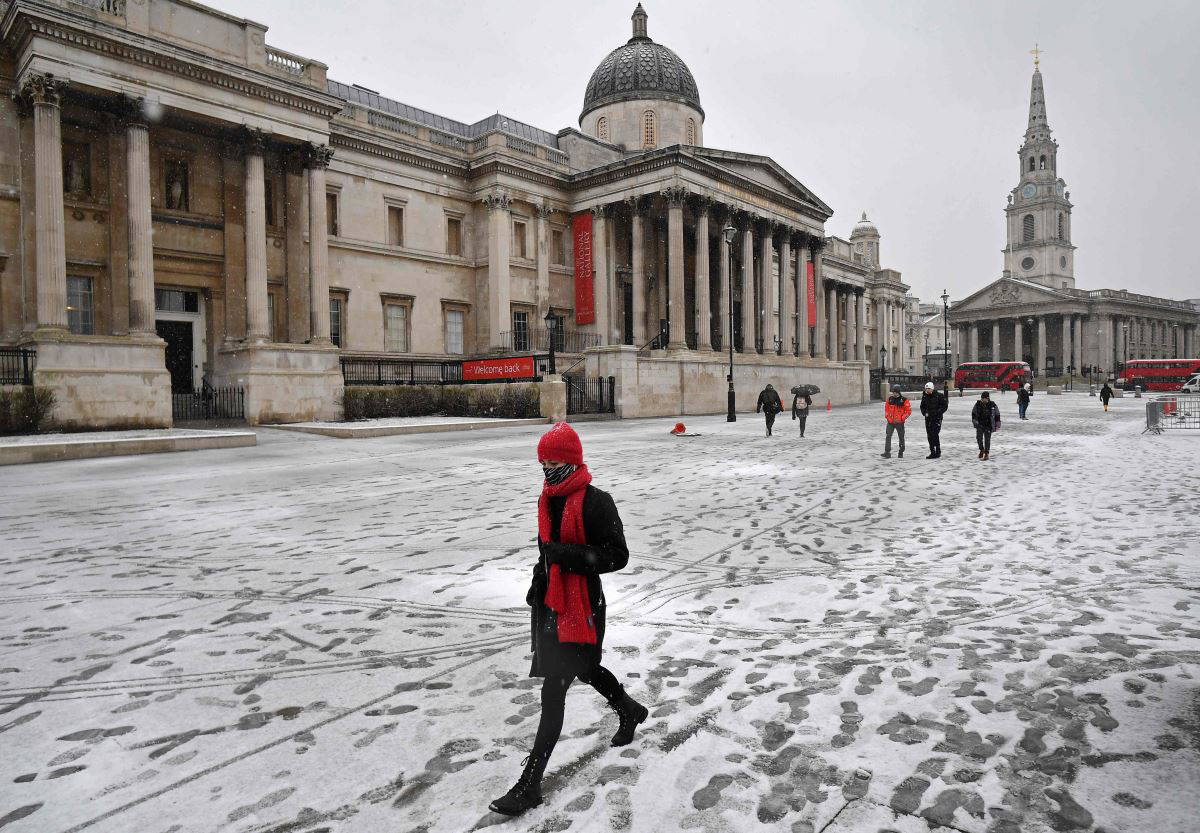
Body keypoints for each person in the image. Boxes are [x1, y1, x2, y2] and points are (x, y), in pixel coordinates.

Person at [490, 423, 646, 816]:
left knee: (554, 690)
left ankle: (529, 786)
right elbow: (546, 553)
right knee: (587, 669)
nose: (547, 466)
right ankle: (629, 709)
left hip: (584, 607)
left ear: (572, 459)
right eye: (543, 460)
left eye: (554, 459)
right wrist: (538, 580)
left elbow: (617, 555)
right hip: (553, 603)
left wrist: (567, 556)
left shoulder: (596, 501)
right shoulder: (547, 500)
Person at [919, 381, 948, 459]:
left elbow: (945, 406)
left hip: (937, 418)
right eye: (926, 388)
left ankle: (938, 451)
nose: (927, 390)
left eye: (928, 388)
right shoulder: (924, 396)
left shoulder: (939, 396)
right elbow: (922, 406)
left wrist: (938, 412)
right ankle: (932, 451)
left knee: (935, 434)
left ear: (932, 389)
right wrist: (925, 413)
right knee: (929, 435)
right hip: (928, 418)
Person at [881, 384, 911, 459]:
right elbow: (886, 410)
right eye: (893, 392)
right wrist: (889, 418)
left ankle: (901, 451)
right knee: (888, 436)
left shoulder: (904, 400)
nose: (894, 393)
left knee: (901, 437)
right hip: (890, 422)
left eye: (895, 392)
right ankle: (887, 452)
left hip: (899, 422)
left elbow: (908, 411)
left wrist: (902, 418)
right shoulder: (890, 399)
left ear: (898, 392)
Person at [971, 391, 1001, 460]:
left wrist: (997, 423)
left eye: (985, 398)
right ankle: (981, 449)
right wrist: (975, 421)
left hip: (988, 425)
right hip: (980, 424)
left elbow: (997, 414)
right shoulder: (978, 404)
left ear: (988, 398)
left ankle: (986, 453)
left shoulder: (992, 404)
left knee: (987, 440)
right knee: (979, 438)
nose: (983, 400)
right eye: (982, 398)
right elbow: (973, 414)